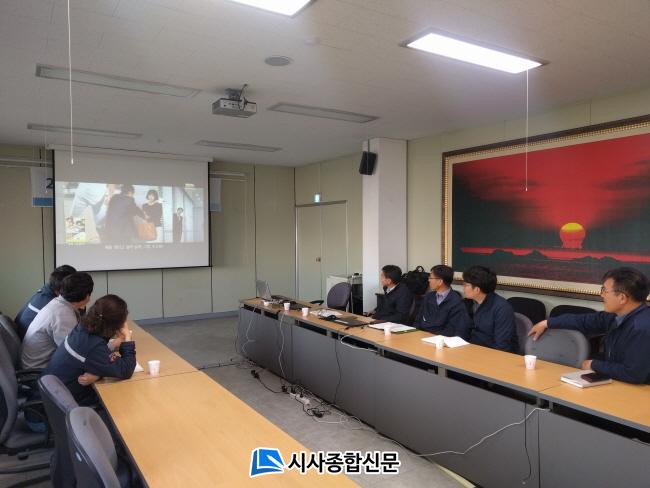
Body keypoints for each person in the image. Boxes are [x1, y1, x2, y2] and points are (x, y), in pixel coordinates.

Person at [529, 267, 650, 384]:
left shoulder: (642, 327)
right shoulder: (615, 316)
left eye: (605, 291)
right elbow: (583, 321)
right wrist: (547, 323)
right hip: (617, 382)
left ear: (622, 298)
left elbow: (633, 374)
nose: (602, 295)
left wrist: (593, 365)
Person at [43, 294, 136, 406]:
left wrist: (98, 374)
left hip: (54, 393)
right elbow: (126, 370)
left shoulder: (82, 327)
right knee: (124, 398)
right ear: (115, 324)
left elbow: (93, 358)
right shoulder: (93, 346)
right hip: (68, 404)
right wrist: (127, 337)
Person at [21, 272, 94, 370]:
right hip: (39, 371)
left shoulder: (58, 304)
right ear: (87, 296)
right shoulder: (63, 315)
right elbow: (76, 352)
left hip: (37, 365)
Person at [462, 265, 518, 352]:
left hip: (494, 354)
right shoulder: (468, 303)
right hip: (472, 349)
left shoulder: (502, 308)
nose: (463, 288)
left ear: (477, 289)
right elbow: (463, 330)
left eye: (466, 285)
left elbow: (502, 346)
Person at [14, 265, 76, 339]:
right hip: (28, 339)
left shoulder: (44, 291)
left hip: (21, 335)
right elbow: (68, 339)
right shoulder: (53, 303)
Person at [413, 265, 471, 339]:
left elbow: (452, 330)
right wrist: (414, 333)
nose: (429, 280)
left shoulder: (456, 302)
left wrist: (432, 338)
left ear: (440, 281)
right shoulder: (428, 297)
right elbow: (418, 320)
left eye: (431, 278)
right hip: (422, 336)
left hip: (440, 340)